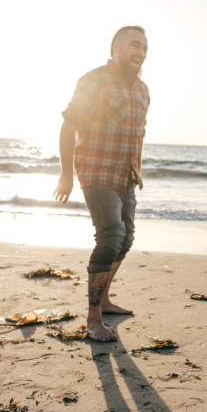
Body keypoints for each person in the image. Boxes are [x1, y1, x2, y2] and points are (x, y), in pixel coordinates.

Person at [54, 25, 150, 342]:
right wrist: (66, 173)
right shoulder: (94, 80)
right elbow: (69, 125)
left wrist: (137, 168)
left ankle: (105, 299)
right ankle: (93, 318)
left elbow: (137, 134)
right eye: (135, 45)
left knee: (126, 240)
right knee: (110, 236)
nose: (141, 53)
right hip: (96, 171)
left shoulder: (142, 90)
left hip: (126, 175)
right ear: (116, 47)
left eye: (145, 49)